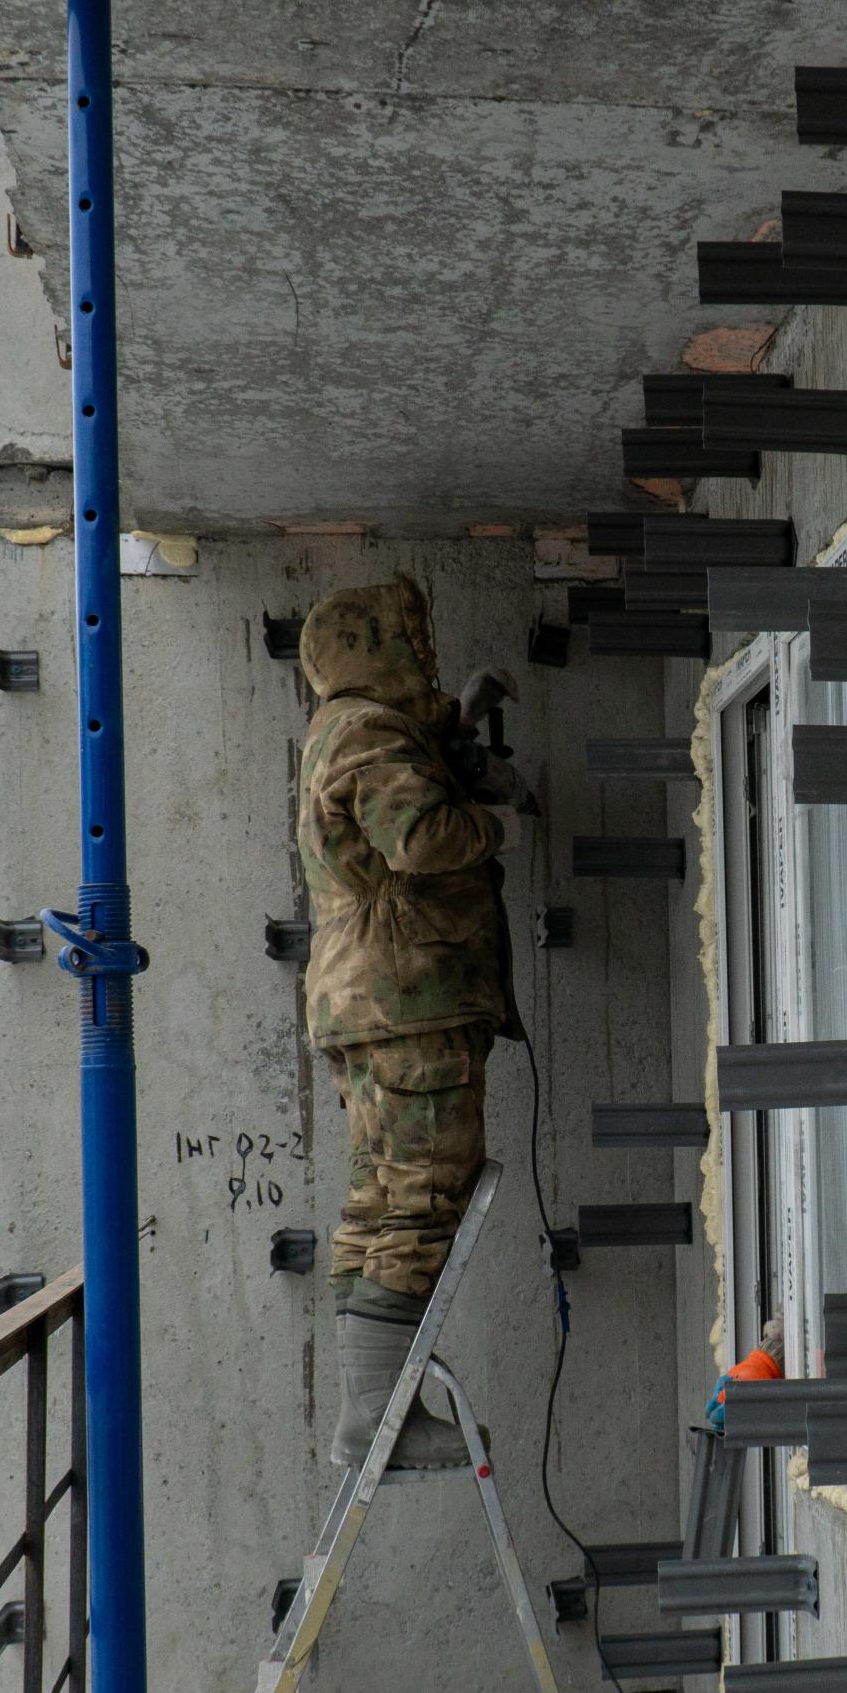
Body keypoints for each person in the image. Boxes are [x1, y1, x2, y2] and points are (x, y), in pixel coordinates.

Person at [295, 576, 523, 1469]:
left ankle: (371, 1410)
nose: (420, 656)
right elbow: (421, 835)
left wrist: (455, 722)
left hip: (368, 1007)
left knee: (379, 1200)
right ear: (376, 648)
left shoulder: (340, 731)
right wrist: (494, 822)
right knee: (424, 1198)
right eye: (409, 644)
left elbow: (391, 780)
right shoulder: (369, 731)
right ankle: (380, 1421)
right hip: (409, 1000)